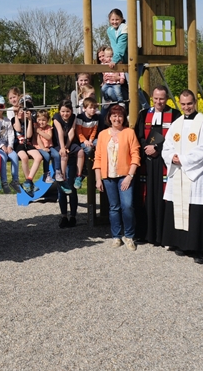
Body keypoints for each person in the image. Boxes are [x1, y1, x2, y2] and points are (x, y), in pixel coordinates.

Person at [161, 90, 203, 264]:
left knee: (196, 210)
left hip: (196, 174)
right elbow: (167, 146)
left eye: (189, 103)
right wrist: (172, 157)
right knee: (178, 207)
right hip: (178, 172)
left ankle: (202, 249)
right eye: (183, 104)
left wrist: (183, 160)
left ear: (195, 102)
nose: (186, 107)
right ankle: (183, 244)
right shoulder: (176, 124)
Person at [134, 86, 180, 246]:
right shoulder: (144, 114)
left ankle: (163, 236)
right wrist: (147, 148)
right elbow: (138, 135)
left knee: (163, 196)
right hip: (147, 162)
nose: (158, 102)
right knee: (146, 196)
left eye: (161, 98)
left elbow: (176, 138)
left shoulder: (175, 115)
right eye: (155, 98)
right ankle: (145, 233)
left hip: (164, 162)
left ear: (167, 98)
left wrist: (157, 149)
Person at [94, 105, 141, 250]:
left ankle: (129, 236)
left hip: (125, 176)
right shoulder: (103, 134)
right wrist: (98, 178)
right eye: (114, 115)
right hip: (108, 176)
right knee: (114, 207)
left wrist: (130, 176)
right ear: (109, 117)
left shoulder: (129, 133)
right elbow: (98, 157)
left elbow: (135, 155)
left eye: (120, 116)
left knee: (127, 206)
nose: (117, 118)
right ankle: (116, 236)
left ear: (124, 118)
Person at [52, 99, 84, 194]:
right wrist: (63, 148)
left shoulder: (73, 117)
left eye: (67, 111)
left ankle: (78, 176)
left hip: (69, 142)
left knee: (81, 151)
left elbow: (71, 132)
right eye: (63, 111)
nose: (65, 114)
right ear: (59, 111)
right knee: (64, 155)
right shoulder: (56, 118)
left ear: (71, 111)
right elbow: (60, 132)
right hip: (58, 142)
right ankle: (63, 179)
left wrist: (67, 146)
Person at [25, 109, 55, 190]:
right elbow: (38, 140)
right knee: (47, 156)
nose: (41, 122)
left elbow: (49, 137)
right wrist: (43, 148)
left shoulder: (48, 127)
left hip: (49, 146)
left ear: (47, 120)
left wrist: (40, 132)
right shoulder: (36, 128)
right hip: (39, 147)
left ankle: (57, 172)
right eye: (39, 120)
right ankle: (46, 174)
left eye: (44, 120)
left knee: (57, 155)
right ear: (36, 120)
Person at [75, 96, 100, 188]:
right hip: (81, 140)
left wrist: (90, 140)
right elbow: (78, 131)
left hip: (90, 139)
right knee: (88, 149)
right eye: (90, 108)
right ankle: (84, 168)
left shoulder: (96, 118)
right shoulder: (80, 117)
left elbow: (94, 130)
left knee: (99, 143)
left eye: (94, 108)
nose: (93, 110)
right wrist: (85, 140)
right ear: (85, 108)